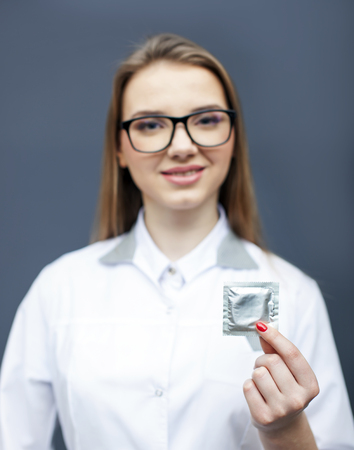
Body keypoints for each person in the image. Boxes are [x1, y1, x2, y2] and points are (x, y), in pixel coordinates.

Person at [0, 33, 353, 450]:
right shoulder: (59, 290)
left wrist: (284, 431)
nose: (183, 146)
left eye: (206, 120)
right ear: (120, 148)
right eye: (150, 125)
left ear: (233, 136)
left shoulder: (295, 295)